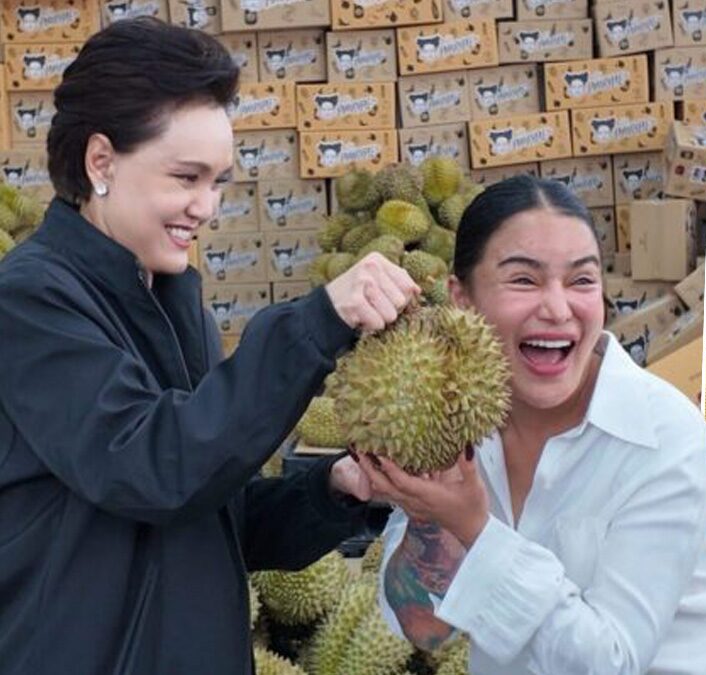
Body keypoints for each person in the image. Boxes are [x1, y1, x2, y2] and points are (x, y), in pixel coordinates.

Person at [0, 18, 420, 674]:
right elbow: (155, 467)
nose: (209, 206)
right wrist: (316, 323)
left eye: (219, 180)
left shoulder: (173, 301)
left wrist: (335, 488)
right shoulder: (30, 302)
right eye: (186, 177)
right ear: (101, 161)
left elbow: (213, 515)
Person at [353, 176, 706, 674]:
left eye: (581, 280)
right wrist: (431, 513)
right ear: (461, 300)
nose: (557, 308)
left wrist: (472, 525)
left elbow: (611, 662)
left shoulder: (663, 432)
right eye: (523, 279)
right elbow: (425, 629)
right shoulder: (446, 423)